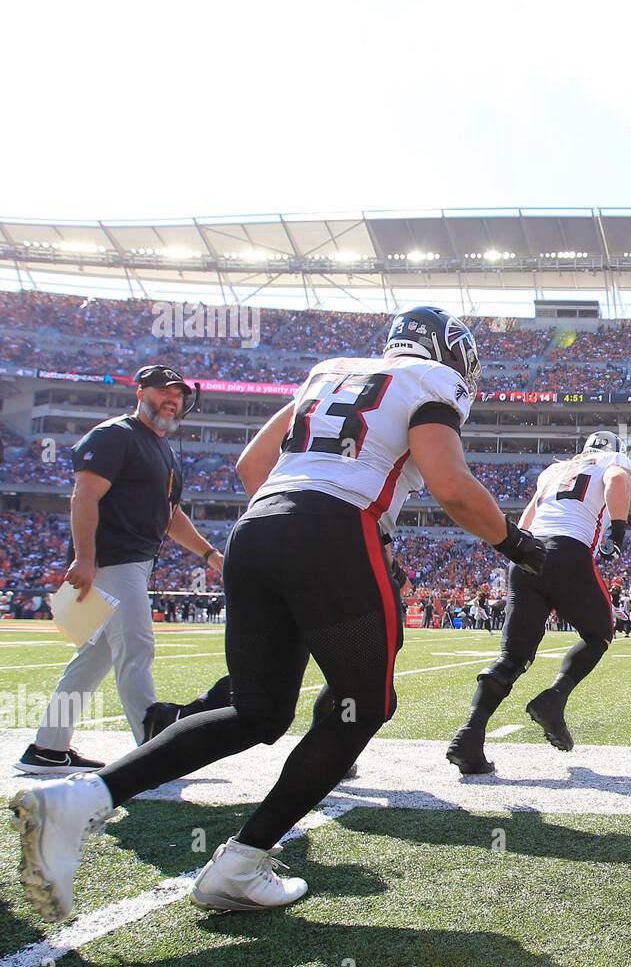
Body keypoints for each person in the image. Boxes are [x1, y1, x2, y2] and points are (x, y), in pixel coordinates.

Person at [11, 306, 546, 922]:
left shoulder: (329, 371)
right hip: (334, 529)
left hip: (257, 529)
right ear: (448, 352)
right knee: (363, 704)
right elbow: (450, 486)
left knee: (255, 710)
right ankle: (242, 862)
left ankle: (83, 800)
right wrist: (519, 546)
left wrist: (301, 526)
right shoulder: (432, 383)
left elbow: (249, 467)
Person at [14, 365, 223, 775]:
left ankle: (47, 748)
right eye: (164, 390)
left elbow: (169, 514)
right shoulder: (115, 434)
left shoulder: (162, 448)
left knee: (94, 658)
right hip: (113, 560)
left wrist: (209, 555)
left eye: (179, 394)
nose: (172, 399)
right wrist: (86, 557)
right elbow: (84, 496)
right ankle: (153, 751)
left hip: (134, 561)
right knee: (136, 647)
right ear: (140, 391)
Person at [445, 430, 631, 775]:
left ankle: (470, 735)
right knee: (599, 633)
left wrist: (518, 556)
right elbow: (618, 478)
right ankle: (555, 699)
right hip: (569, 552)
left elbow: (526, 520)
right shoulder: (613, 462)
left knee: (512, 657)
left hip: (527, 554)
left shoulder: (555, 471)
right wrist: (618, 530)